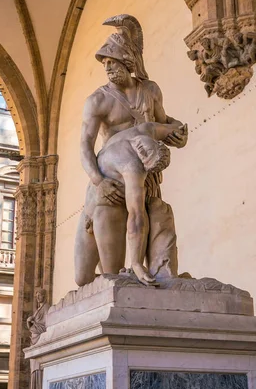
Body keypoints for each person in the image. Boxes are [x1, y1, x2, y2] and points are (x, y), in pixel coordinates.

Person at [77, 14, 187, 285]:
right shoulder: (98, 100)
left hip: (144, 177)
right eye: (105, 63)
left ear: (129, 62)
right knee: (90, 277)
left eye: (112, 62)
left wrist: (179, 132)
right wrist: (98, 181)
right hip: (110, 182)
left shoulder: (149, 91)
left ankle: (149, 274)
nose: (108, 68)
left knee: (147, 230)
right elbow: (85, 146)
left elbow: (164, 124)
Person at [76, 121, 185, 286]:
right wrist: (181, 135)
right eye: (146, 149)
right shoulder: (148, 132)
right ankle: (127, 281)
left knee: (113, 279)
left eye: (145, 155)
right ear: (156, 143)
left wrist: (136, 263)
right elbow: (177, 129)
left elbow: (136, 215)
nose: (142, 149)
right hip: (88, 212)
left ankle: (133, 282)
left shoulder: (134, 165)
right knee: (82, 279)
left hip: (106, 213)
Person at [27, 289, 49, 389]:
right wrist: (29, 322)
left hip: (40, 338)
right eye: (36, 296)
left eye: (39, 295)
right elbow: (33, 326)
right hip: (34, 339)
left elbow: (46, 325)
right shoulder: (37, 310)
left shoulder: (46, 308)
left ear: (45, 296)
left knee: (40, 365)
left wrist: (33, 324)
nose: (38, 298)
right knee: (34, 366)